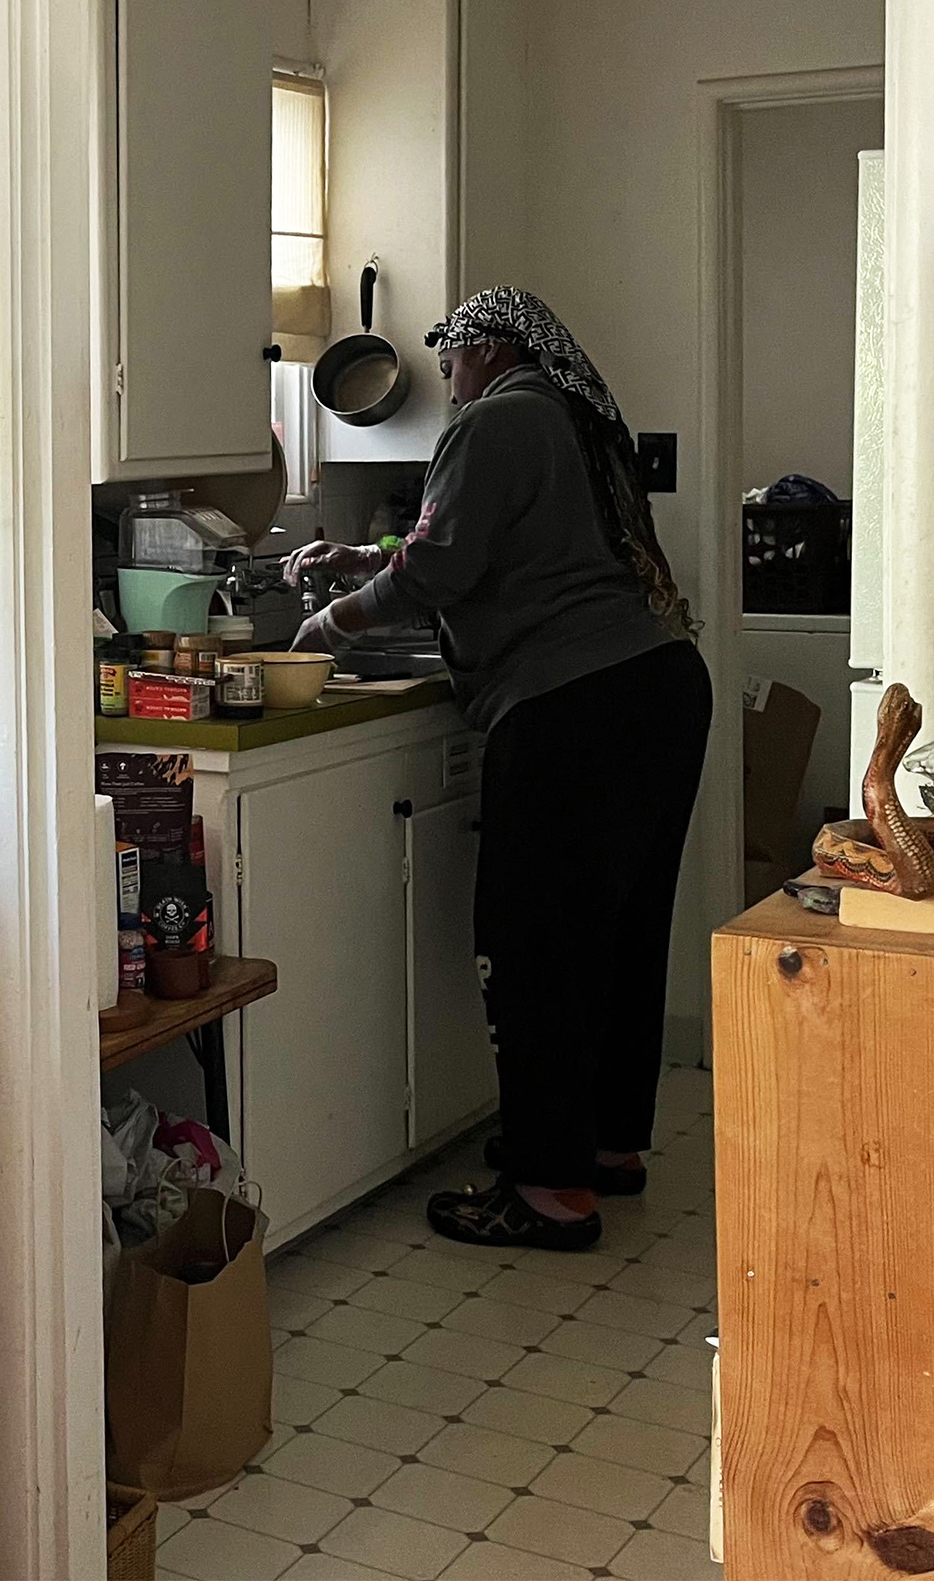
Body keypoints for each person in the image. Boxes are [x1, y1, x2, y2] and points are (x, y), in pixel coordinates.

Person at [281, 287, 712, 1252]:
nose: (446, 377)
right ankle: (604, 1146)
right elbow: (505, 544)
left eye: (451, 357)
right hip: (658, 687)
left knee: (538, 946)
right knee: (621, 933)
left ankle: (549, 1188)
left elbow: (441, 568)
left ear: (491, 347)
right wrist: (367, 556)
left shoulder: (495, 420)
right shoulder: (578, 419)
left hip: (571, 703)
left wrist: (335, 620)